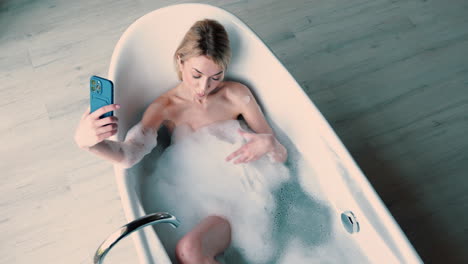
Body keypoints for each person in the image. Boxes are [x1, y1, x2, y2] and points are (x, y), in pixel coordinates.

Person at [74, 19, 287, 264]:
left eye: (216, 77)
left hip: (247, 194)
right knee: (188, 251)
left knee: (189, 250)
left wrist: (269, 145)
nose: (204, 87)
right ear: (180, 61)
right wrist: (88, 143)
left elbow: (281, 155)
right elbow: (129, 154)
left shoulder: (236, 96)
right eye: (196, 75)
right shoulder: (165, 107)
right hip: (195, 198)